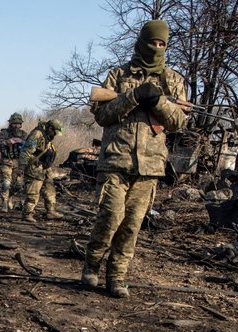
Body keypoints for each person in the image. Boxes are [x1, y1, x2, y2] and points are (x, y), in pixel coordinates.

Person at [81, 19, 187, 298]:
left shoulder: (172, 80)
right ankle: (91, 265)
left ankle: (116, 277)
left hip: (149, 167)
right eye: (152, 42)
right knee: (110, 217)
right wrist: (133, 96)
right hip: (116, 161)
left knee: (131, 226)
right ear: (142, 42)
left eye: (162, 44)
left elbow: (178, 122)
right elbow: (103, 115)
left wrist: (159, 101)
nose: (156, 47)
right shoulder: (118, 75)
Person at [19, 118, 63, 222]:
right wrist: (21, 167)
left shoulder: (47, 136)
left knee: (50, 189)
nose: (55, 135)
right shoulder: (37, 134)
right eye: (55, 132)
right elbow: (26, 151)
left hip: (45, 168)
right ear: (50, 128)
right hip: (35, 167)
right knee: (33, 192)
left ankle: (50, 211)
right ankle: (27, 214)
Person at [0, 113, 27, 212]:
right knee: (6, 183)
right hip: (6, 161)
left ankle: (9, 197)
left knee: (18, 185)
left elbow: (30, 146)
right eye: (14, 123)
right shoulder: (4, 133)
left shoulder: (24, 134)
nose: (16, 126)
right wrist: (8, 142)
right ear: (10, 123)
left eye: (18, 123)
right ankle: (4, 202)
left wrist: (21, 142)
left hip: (18, 163)